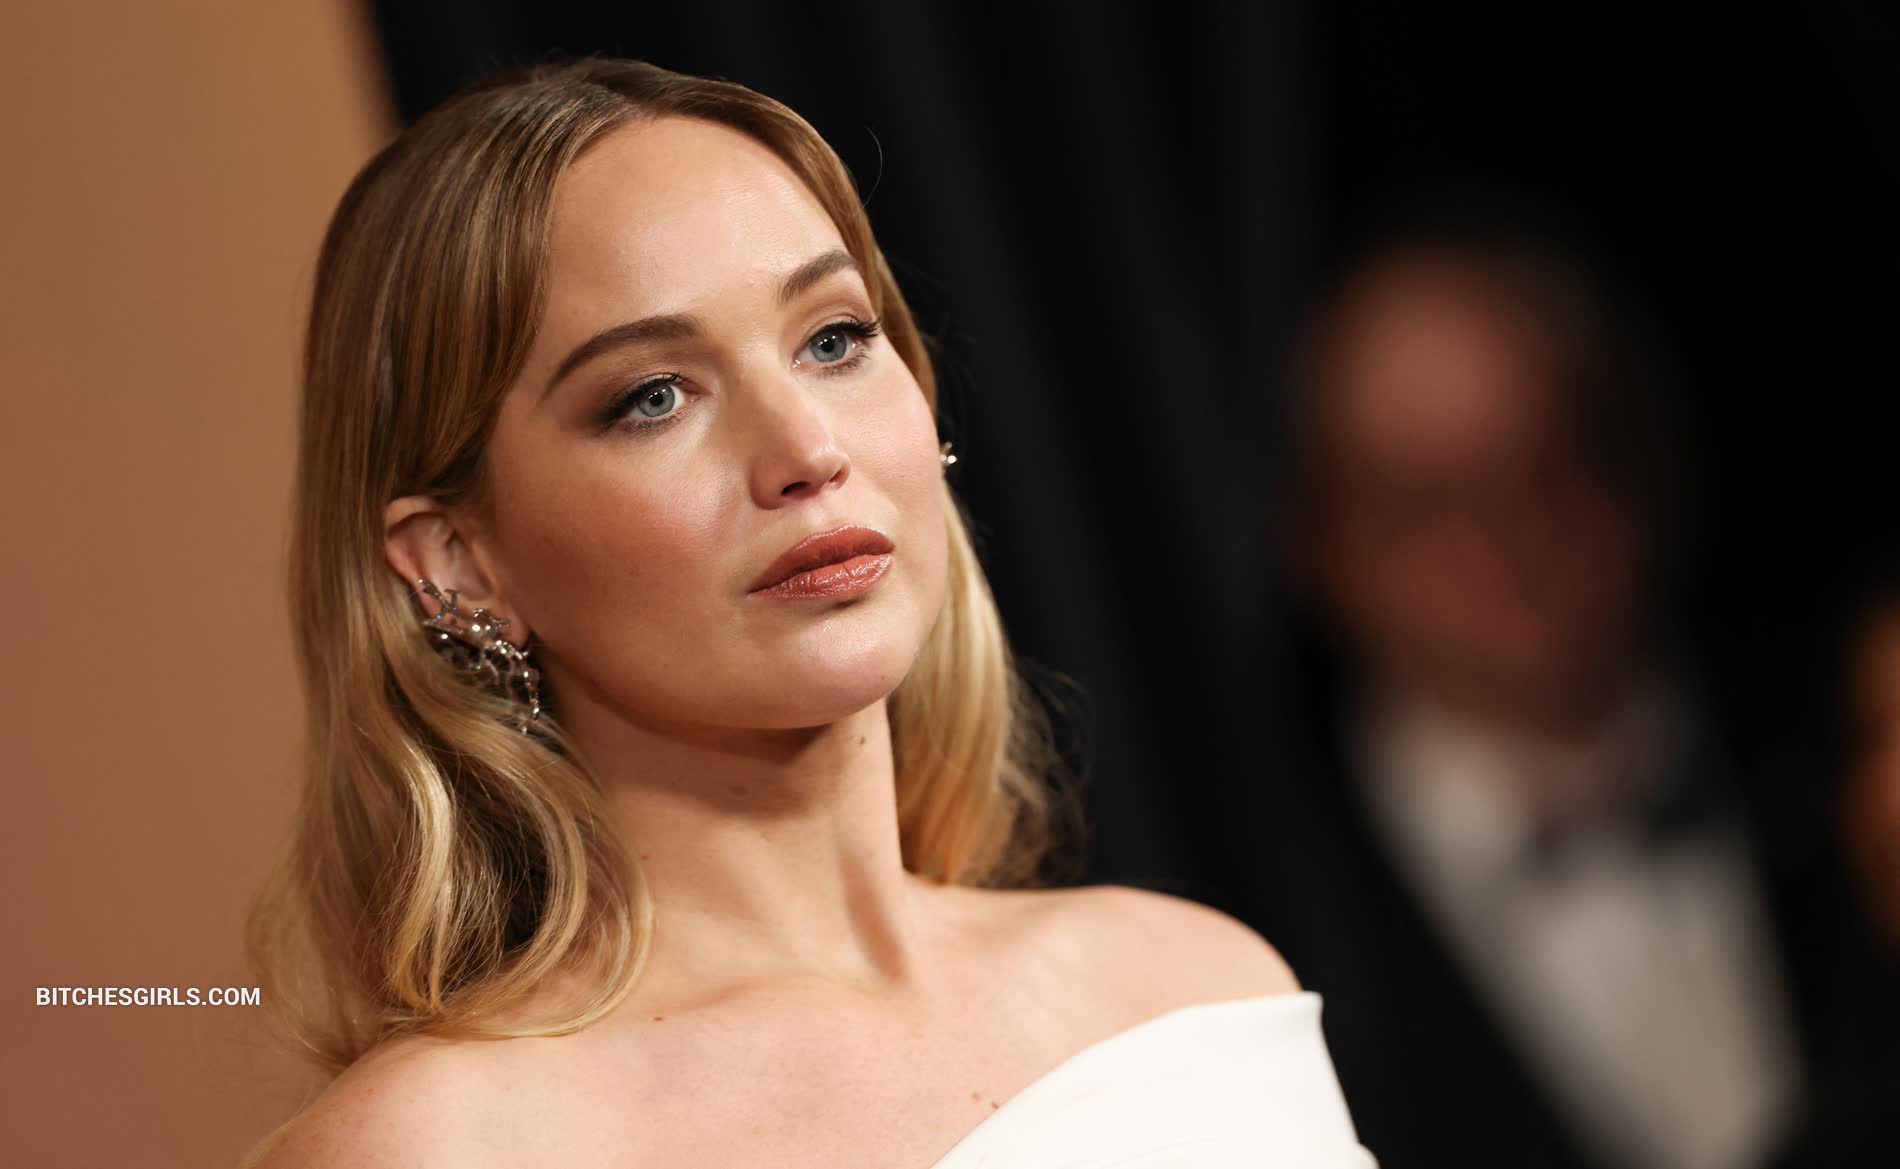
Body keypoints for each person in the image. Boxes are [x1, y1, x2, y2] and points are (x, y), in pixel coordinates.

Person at [238, 58, 1376, 1168]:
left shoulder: (1198, 982)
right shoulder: (444, 1145)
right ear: (459, 562)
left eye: (834, 340)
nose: (806, 449)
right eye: (653, 397)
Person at [1258, 207, 1876, 1169]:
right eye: (1426, 498)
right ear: (1321, 548)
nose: (1508, 533)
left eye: (1551, 456)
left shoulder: (1844, 756)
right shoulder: (1273, 917)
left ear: (1649, 449)